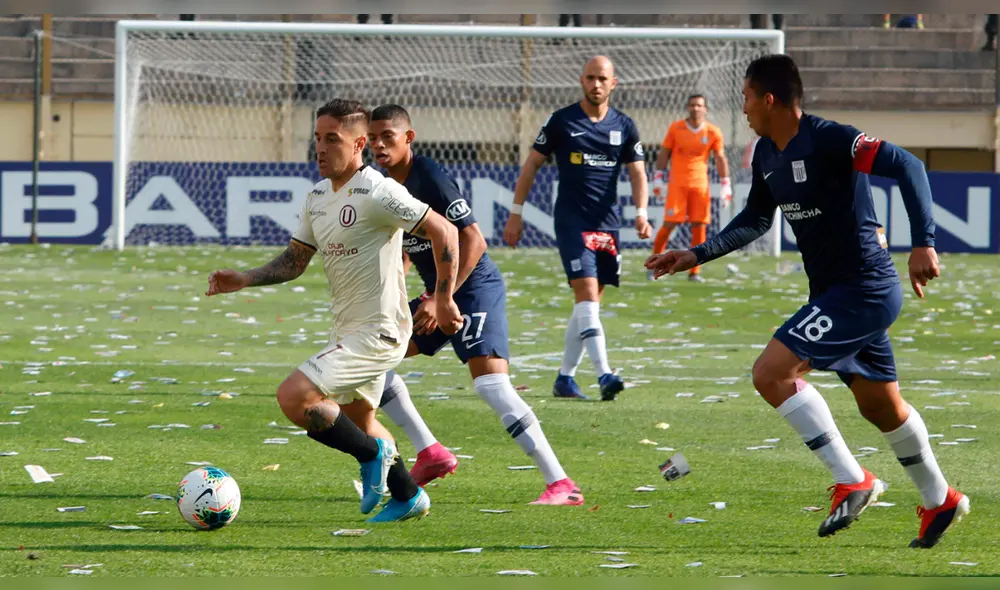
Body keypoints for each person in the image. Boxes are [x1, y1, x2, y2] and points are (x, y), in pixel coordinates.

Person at [646, 54, 969, 548]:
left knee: (771, 372)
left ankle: (854, 479)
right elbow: (756, 219)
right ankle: (940, 498)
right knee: (882, 408)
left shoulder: (832, 139)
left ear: (769, 99)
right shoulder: (766, 154)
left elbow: (908, 164)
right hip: (835, 293)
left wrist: (923, 240)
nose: (745, 108)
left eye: (748, 98)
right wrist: (697, 253)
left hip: (863, 287)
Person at [205, 98, 462, 523]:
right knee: (358, 421)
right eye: (317, 139)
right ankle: (407, 496)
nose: (321, 149)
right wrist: (245, 279)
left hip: (380, 331)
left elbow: (445, 230)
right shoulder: (318, 197)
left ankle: (372, 456)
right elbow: (294, 261)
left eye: (332, 139)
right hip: (348, 330)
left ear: (360, 143)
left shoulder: (380, 191)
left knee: (295, 397)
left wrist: (444, 296)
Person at [366, 104, 584, 505]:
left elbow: (474, 240)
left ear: (408, 138)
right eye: (373, 138)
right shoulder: (384, 185)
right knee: (372, 363)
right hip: (438, 295)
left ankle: (562, 484)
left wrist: (442, 298)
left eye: (388, 137)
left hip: (472, 287)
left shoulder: (429, 176)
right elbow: (407, 246)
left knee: (491, 385)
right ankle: (430, 452)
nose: (378, 145)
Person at [503, 56, 652, 402]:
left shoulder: (625, 126)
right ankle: (604, 375)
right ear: (581, 80)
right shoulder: (562, 121)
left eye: (602, 78)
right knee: (586, 294)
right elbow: (531, 166)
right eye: (590, 77)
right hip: (572, 221)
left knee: (589, 304)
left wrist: (641, 213)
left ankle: (565, 379)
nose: (596, 84)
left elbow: (638, 172)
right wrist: (515, 213)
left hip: (608, 224)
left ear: (613, 83)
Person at [650, 94, 732, 282]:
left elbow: (720, 158)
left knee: (699, 226)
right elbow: (664, 153)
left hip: (700, 185)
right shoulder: (676, 128)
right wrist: (658, 178)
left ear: (705, 109)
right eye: (692, 105)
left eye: (699, 105)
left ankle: (694, 272)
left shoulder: (712, 132)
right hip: (677, 184)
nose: (695, 108)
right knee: (669, 223)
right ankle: (654, 262)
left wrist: (725, 182)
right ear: (688, 107)